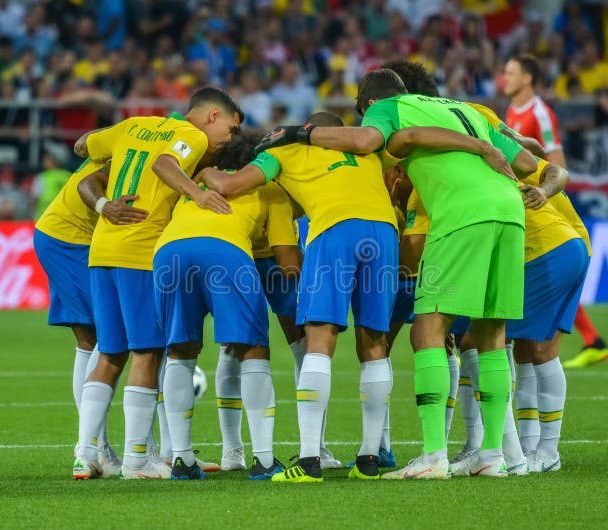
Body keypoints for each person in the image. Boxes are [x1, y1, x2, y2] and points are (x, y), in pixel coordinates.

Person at [257, 69, 538, 479]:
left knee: (428, 330)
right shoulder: (469, 110)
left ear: (370, 105)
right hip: (510, 212)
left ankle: (432, 457)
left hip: (460, 216)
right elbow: (529, 163)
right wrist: (497, 148)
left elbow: (369, 140)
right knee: (491, 334)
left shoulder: (388, 111)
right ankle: (492, 455)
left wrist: (298, 133)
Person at [198, 111, 400, 482]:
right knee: (375, 343)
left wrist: (205, 172)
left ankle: (309, 461)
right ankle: (369, 459)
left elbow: (232, 186)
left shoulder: (286, 149)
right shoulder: (369, 150)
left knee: (319, 340)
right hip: (384, 231)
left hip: (333, 229)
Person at [71, 87, 242, 480]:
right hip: (140, 248)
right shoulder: (193, 137)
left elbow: (83, 145)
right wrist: (197, 194)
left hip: (103, 246)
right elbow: (164, 164)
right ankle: (137, 460)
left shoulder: (134, 125)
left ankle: (85, 454)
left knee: (110, 355)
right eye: (230, 130)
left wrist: (118, 149)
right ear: (212, 116)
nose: (227, 141)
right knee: (147, 354)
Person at [153, 130, 300, 480]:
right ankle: (264, 460)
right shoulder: (269, 188)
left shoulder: (195, 184)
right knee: (252, 349)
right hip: (225, 253)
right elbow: (287, 260)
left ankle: (182, 458)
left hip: (168, 252)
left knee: (180, 352)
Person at [502, 54, 608, 368]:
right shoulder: (511, 111)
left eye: (510, 72)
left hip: (545, 202)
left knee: (550, 273)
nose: (504, 78)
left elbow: (557, 165)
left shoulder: (540, 112)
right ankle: (592, 339)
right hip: (527, 202)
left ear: (528, 78)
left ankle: (590, 339)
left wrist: (545, 194)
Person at [33, 157, 139, 478]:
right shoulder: (138, 153)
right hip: (71, 240)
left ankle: (92, 446)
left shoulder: (121, 142)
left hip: (63, 234)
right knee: (109, 340)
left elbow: (81, 144)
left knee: (89, 340)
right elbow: (87, 183)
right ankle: (93, 448)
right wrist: (106, 206)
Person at [31, 141, 72, 220]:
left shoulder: (42, 178)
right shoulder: (69, 176)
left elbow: (34, 201)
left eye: (47, 156)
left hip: (43, 223)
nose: (44, 158)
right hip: (65, 222)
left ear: (55, 160)